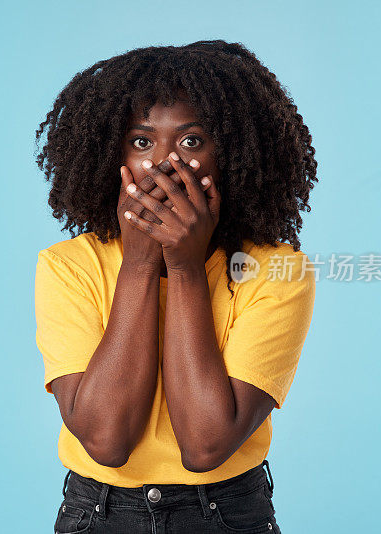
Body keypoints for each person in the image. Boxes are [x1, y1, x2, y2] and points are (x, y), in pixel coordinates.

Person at [33, 40, 318, 533]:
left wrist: (184, 268)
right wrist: (141, 266)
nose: (165, 163)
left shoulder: (276, 269)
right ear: (113, 152)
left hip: (226, 513)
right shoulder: (69, 266)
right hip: (97, 514)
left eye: (191, 141)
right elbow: (106, 441)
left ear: (229, 152)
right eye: (142, 142)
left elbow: (206, 445)